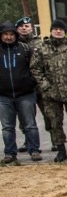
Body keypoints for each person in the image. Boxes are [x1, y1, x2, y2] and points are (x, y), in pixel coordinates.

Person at [30, 19, 67, 162]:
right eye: (55, 29)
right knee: (55, 123)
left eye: (61, 29)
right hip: (51, 93)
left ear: (65, 32)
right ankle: (61, 150)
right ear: (51, 31)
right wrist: (45, 85)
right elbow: (35, 68)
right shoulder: (42, 49)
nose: (58, 31)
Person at [0, 21, 42, 163]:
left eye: (11, 34)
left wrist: (31, 83)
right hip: (3, 96)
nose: (8, 37)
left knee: (30, 124)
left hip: (25, 94)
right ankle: (10, 153)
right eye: (5, 34)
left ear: (15, 36)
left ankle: (34, 150)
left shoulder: (25, 49)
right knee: (7, 127)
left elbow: (36, 68)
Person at [15, 16, 50, 151]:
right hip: (24, 87)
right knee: (25, 117)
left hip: (40, 86)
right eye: (21, 27)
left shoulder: (41, 44)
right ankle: (28, 141)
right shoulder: (14, 45)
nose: (24, 29)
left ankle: (55, 139)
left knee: (49, 114)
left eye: (27, 26)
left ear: (32, 28)